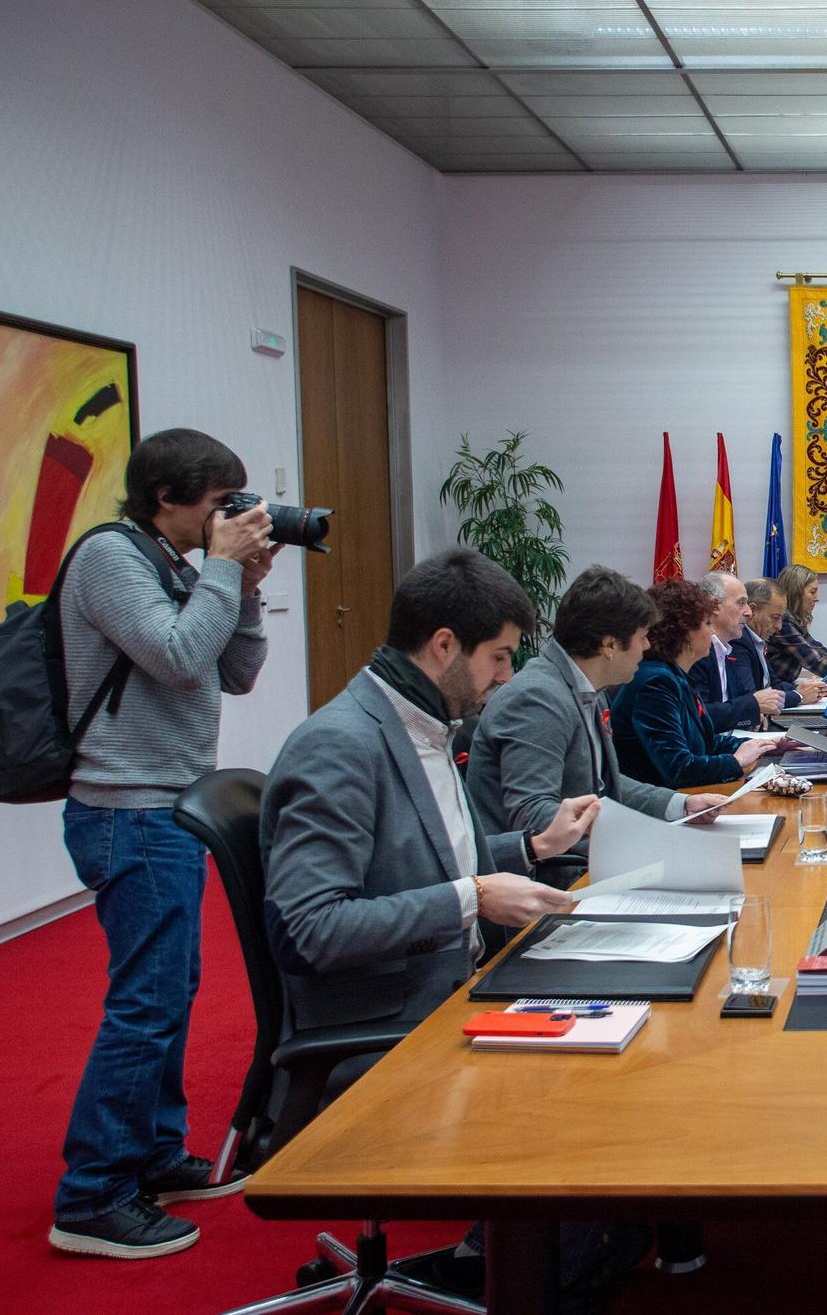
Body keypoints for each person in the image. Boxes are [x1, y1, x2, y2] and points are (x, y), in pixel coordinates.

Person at [260, 548, 653, 1306]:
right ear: (444, 645)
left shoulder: (425, 725)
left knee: (643, 1016)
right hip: (395, 1024)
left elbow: (444, 863)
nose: (508, 677)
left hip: (463, 983)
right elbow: (310, 929)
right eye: (498, 657)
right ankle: (504, 1267)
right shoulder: (341, 744)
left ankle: (546, 1244)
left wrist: (534, 848)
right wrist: (472, 894)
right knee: (611, 1109)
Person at [47, 429, 280, 1260]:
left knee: (171, 989)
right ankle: (93, 1194)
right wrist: (221, 570)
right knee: (146, 1000)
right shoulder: (112, 558)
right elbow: (181, 657)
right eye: (220, 502)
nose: (236, 515)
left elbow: (237, 670)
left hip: (162, 803)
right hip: (126, 806)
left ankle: (151, 1153)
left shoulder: (179, 564)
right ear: (164, 500)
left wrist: (244, 586)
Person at [467, 566, 724, 889]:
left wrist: (679, 804)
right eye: (642, 637)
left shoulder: (586, 688)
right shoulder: (538, 697)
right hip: (541, 882)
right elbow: (533, 817)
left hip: (583, 865)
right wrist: (638, 834)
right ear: (610, 645)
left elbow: (603, 787)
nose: (647, 648)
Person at [614, 579, 785, 789]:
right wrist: (737, 761)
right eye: (706, 624)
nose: (711, 632)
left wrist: (765, 746)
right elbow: (679, 769)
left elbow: (706, 742)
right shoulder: (656, 682)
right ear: (685, 634)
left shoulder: (676, 675)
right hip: (659, 808)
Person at [689, 570, 785, 730]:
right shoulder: (698, 653)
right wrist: (752, 707)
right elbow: (699, 717)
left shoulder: (726, 649)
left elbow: (732, 704)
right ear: (714, 606)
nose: (748, 612)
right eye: (741, 603)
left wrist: (752, 716)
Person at [742, 576, 825, 708]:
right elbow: (752, 699)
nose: (779, 626)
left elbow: (773, 683)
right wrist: (799, 695)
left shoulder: (757, 640)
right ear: (753, 610)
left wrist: (801, 688)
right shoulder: (739, 642)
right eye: (775, 617)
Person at [767, 563, 827, 686]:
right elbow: (814, 661)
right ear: (796, 593)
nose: (817, 598)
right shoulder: (784, 621)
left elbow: (821, 652)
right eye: (812, 592)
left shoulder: (793, 620)